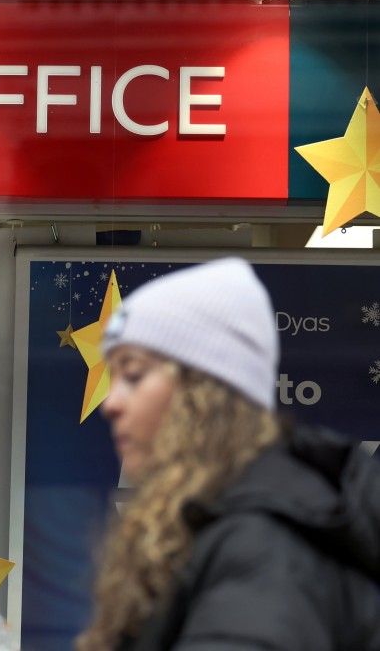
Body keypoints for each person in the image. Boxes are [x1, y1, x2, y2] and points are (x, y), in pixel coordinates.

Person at [74, 257, 380, 651]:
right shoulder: (223, 529)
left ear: (200, 394)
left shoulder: (266, 546)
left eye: (133, 375)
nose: (110, 402)